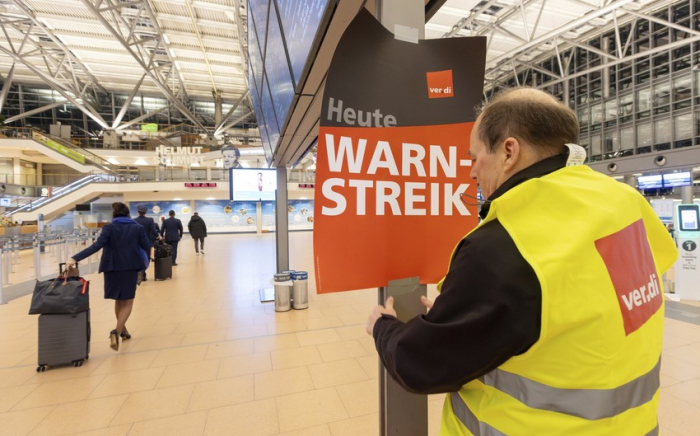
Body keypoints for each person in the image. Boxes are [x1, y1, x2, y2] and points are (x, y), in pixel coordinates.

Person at [366, 87, 678, 435]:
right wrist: (476, 309)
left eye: (475, 156)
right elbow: (584, 299)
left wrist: (384, 327)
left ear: (508, 152)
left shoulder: (505, 243)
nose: (471, 172)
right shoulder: (626, 202)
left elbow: (419, 364)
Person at [67, 202, 150, 351]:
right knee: (128, 301)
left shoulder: (109, 228)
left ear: (114, 215)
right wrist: (145, 262)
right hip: (130, 268)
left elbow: (96, 246)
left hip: (111, 268)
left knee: (118, 300)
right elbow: (146, 246)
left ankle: (124, 331)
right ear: (128, 214)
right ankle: (116, 332)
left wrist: (75, 258)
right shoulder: (137, 228)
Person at [133, 204, 160, 281]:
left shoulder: (134, 220)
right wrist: (158, 236)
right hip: (147, 242)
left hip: (136, 243)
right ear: (145, 212)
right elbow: (153, 231)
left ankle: (142, 275)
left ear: (138, 212)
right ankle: (142, 272)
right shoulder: (150, 220)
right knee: (147, 259)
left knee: (138, 258)